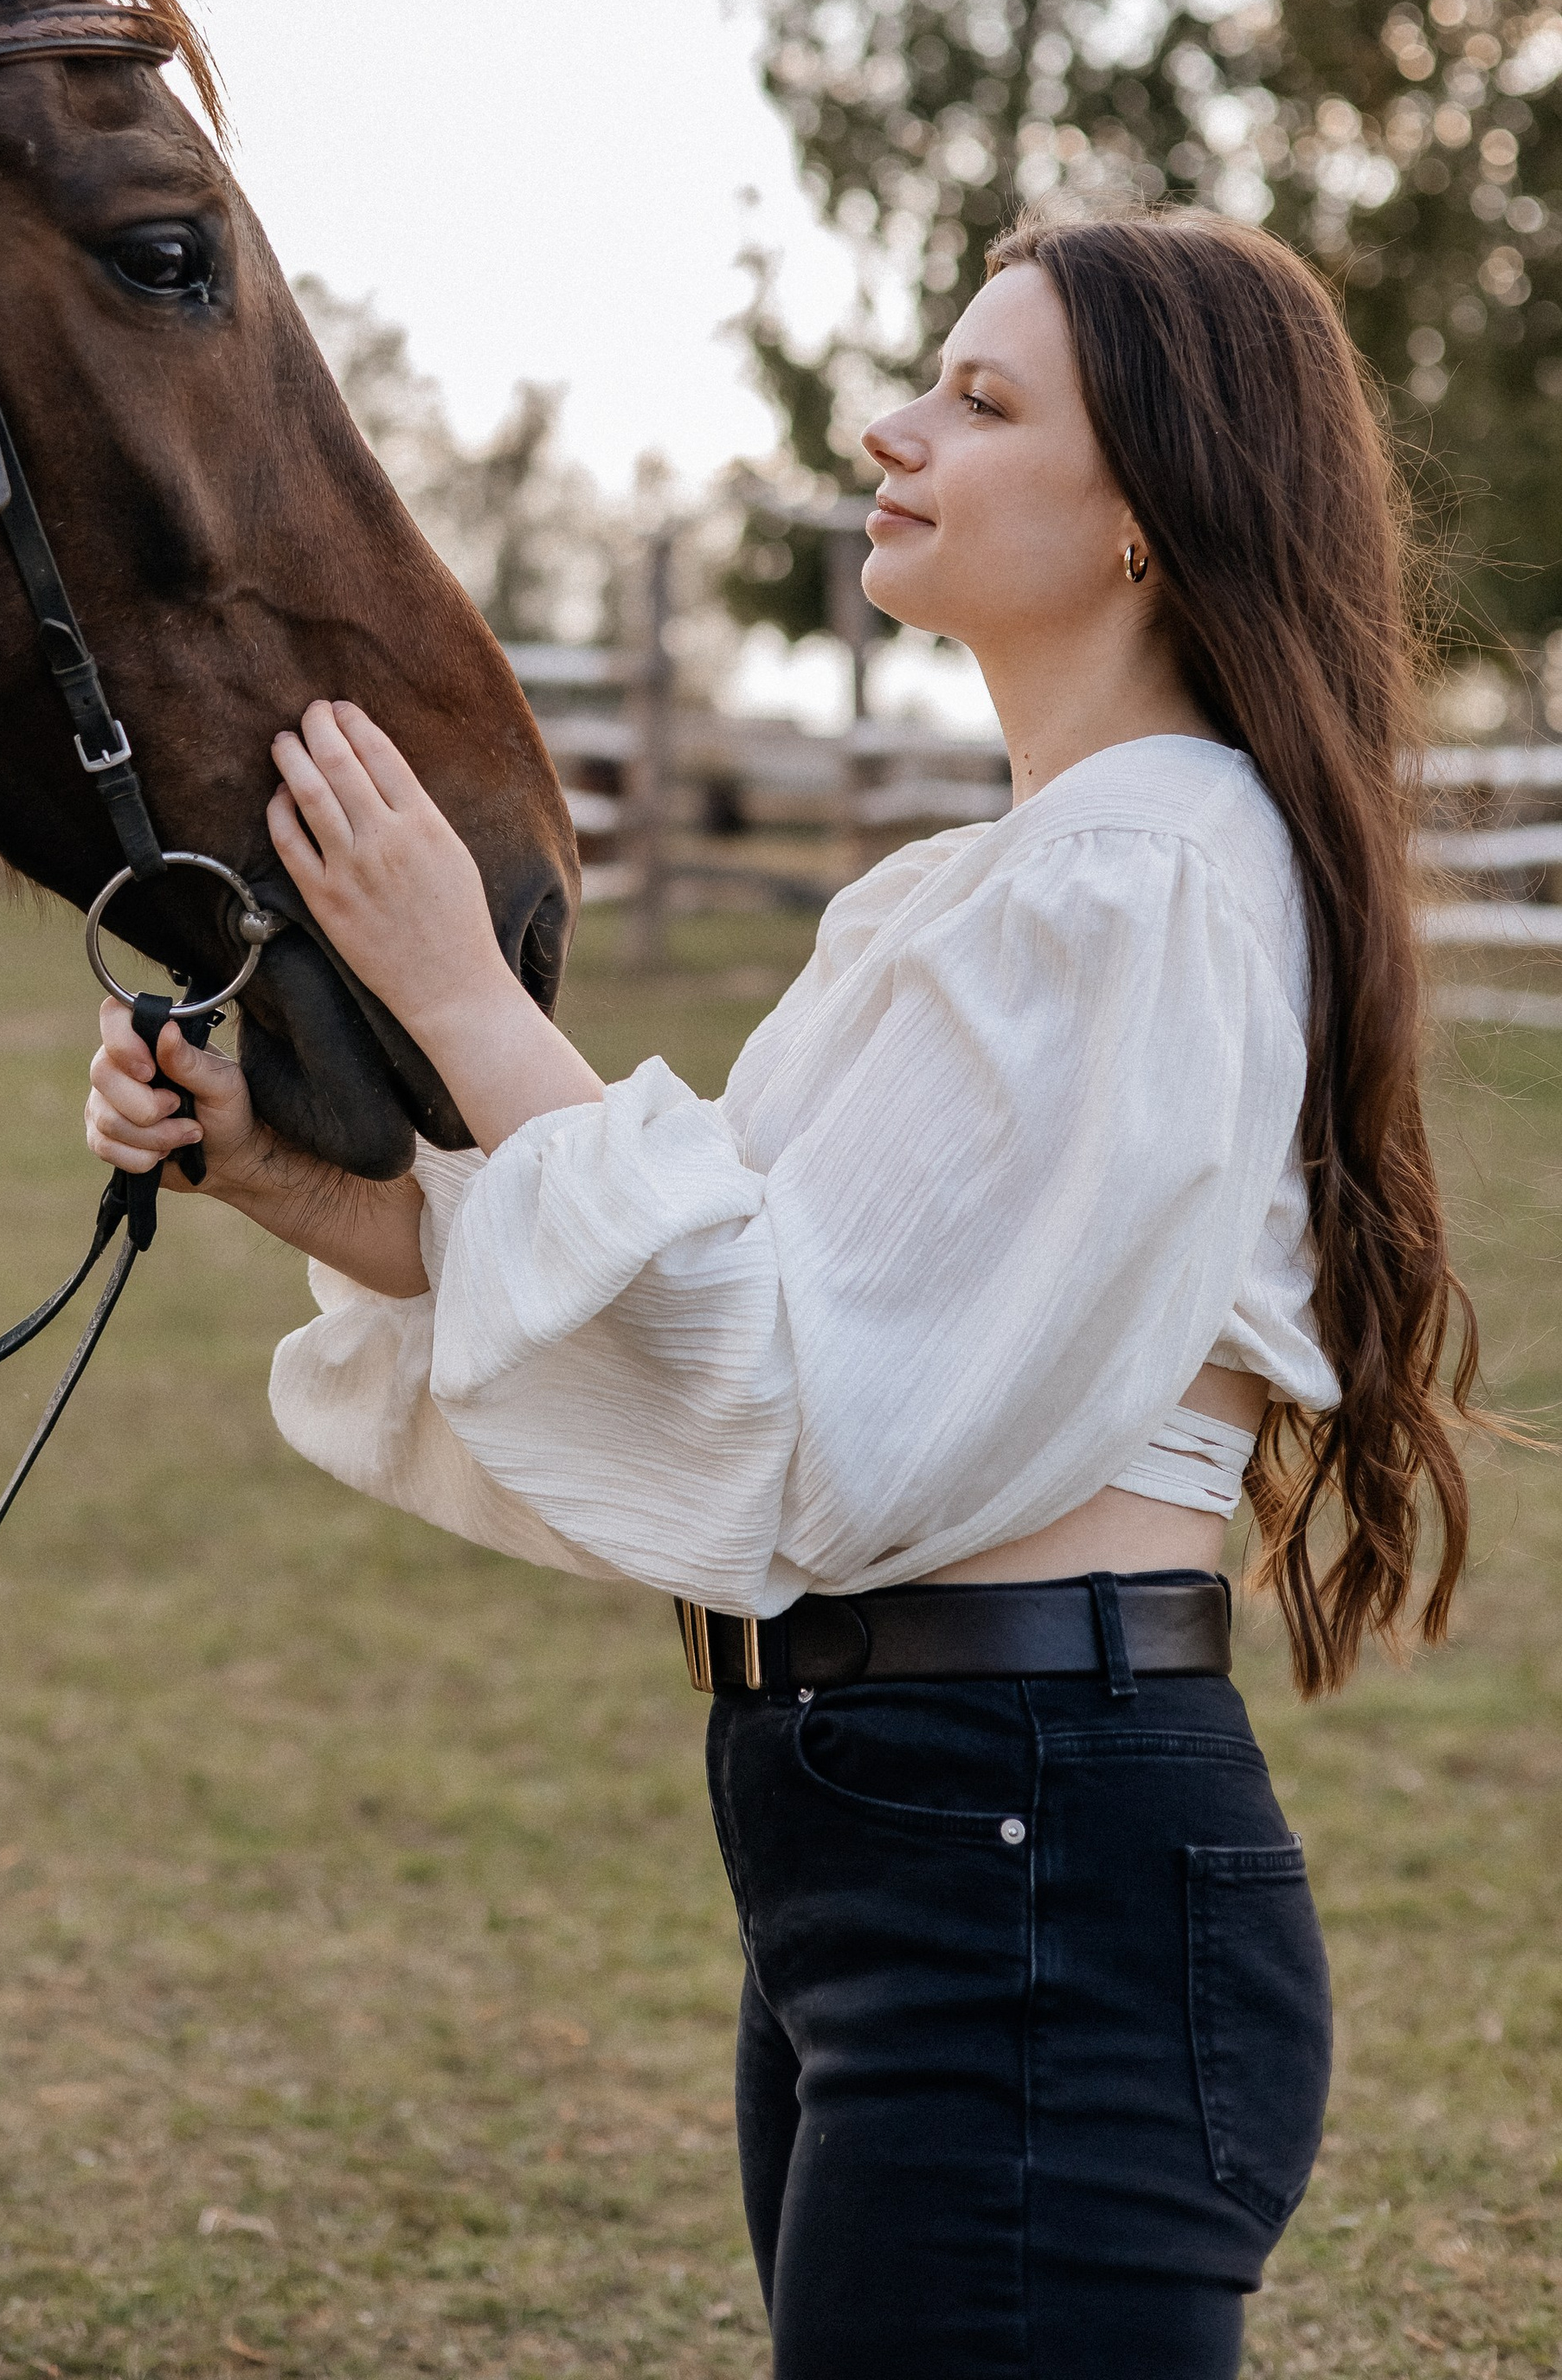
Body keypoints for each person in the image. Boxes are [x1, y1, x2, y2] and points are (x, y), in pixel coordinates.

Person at [87, 207, 1481, 2379]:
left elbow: (804, 1409)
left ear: (1146, 519)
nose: (885, 426)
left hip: (1032, 1865)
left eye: (980, 401)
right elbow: (684, 1308)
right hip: (907, 1843)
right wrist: (275, 1175)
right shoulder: (998, 882)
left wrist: (454, 982)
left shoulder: (1138, 881)